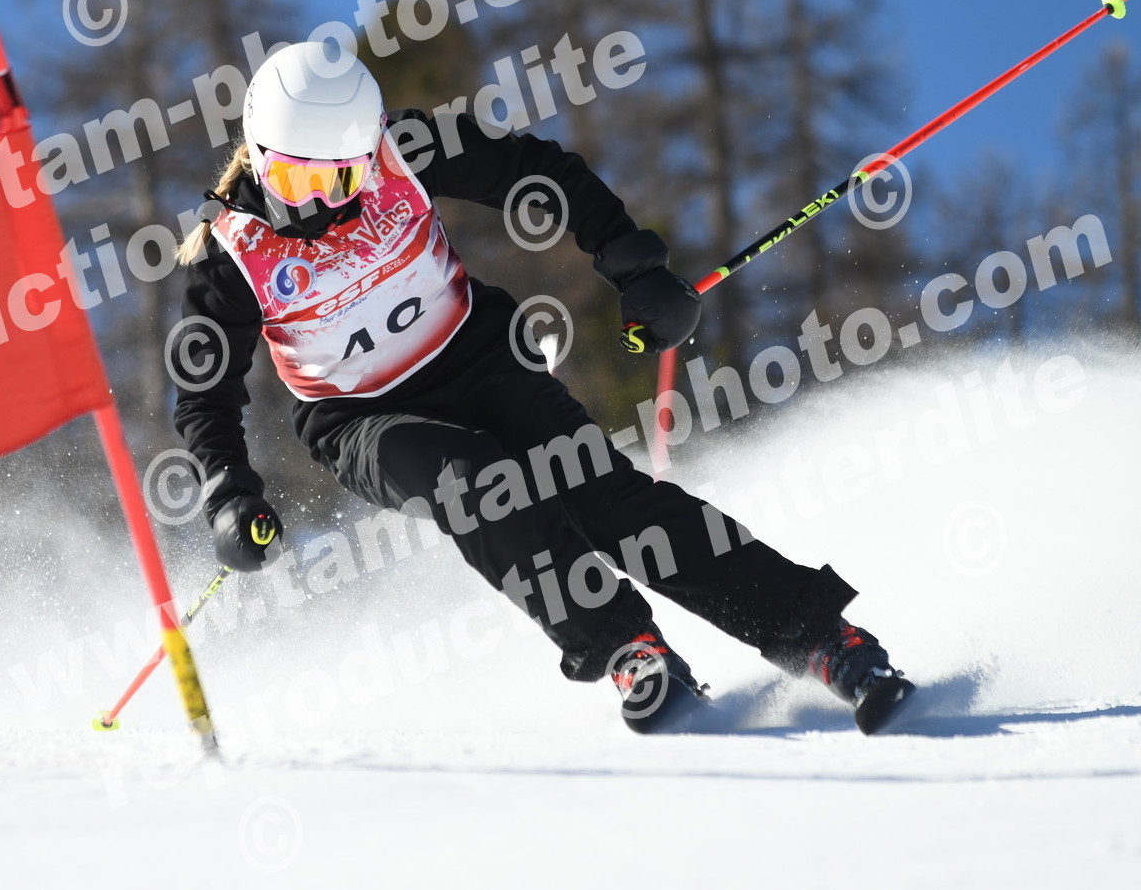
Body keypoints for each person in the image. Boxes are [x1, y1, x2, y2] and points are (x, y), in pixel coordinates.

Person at [167, 41, 915, 734]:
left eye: (342, 178)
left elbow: (537, 171)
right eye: (297, 180)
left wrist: (634, 267)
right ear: (260, 157)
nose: (321, 204)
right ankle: (627, 647)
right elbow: (204, 394)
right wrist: (229, 491)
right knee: (472, 484)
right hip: (361, 418)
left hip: (477, 357)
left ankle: (822, 638)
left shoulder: (404, 149)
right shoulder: (231, 256)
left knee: (604, 496)